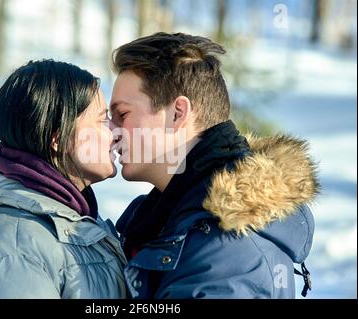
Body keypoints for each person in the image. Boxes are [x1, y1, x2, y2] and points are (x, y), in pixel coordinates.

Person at [110, 32, 319, 299]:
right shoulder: (159, 219)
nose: (111, 131)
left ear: (177, 114)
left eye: (123, 114)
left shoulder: (227, 244)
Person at [0, 60, 127, 298]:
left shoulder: (66, 228)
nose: (115, 133)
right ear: (58, 138)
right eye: (102, 121)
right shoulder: (13, 246)